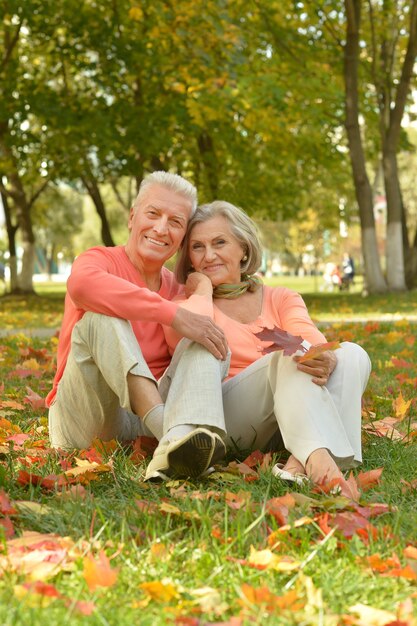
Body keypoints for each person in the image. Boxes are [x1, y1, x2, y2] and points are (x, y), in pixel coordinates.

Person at [164, 201, 371, 496]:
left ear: (244, 249)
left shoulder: (281, 297)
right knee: (285, 357)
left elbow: (309, 339)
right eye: (198, 247)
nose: (209, 255)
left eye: (220, 242)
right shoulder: (181, 309)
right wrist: (202, 290)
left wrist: (322, 356)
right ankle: (323, 466)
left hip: (292, 416)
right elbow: (191, 337)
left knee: (351, 353)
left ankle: (299, 463)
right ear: (190, 258)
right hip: (230, 416)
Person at [46, 171, 230, 480]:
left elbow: (194, 355)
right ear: (132, 217)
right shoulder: (99, 261)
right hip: (84, 417)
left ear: (183, 236)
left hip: (139, 427)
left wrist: (201, 290)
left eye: (175, 222)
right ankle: (173, 436)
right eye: (153, 213)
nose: (161, 228)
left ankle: (181, 442)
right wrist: (172, 314)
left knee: (206, 336)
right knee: (101, 315)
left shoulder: (177, 288)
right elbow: (80, 286)